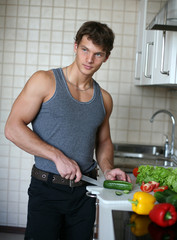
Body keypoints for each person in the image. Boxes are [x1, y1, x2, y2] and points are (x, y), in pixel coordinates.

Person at [4, 21, 131, 240]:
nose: (89, 59)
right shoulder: (44, 81)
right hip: (47, 190)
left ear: (106, 57)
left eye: (98, 54)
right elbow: (12, 128)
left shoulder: (104, 99)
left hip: (85, 193)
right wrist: (57, 156)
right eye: (85, 50)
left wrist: (108, 169)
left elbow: (103, 142)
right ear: (75, 46)